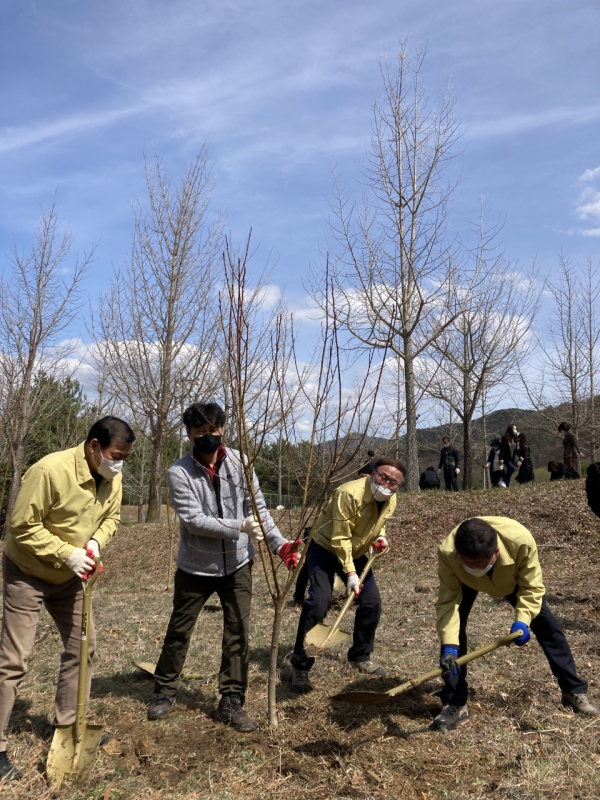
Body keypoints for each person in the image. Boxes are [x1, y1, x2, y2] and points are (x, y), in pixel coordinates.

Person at [147, 402, 300, 732]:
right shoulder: (179, 472)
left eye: (213, 432)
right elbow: (194, 520)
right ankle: (164, 691)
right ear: (188, 434)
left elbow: (258, 508)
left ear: (223, 430)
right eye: (200, 433)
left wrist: (279, 544)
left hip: (239, 564)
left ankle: (232, 699)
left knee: (238, 633)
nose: (208, 439)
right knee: (179, 631)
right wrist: (239, 527)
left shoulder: (241, 463)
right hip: (195, 568)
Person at [0, 416, 135, 781]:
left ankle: (70, 727)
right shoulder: (48, 471)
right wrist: (66, 552)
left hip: (71, 576)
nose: (119, 463)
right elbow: (21, 527)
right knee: (14, 660)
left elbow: (111, 519)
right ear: (93, 446)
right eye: (114, 455)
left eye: (124, 457)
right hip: (26, 570)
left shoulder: (113, 477)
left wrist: (93, 544)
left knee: (83, 647)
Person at [432, 516, 598, 732]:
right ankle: (454, 703)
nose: (472, 567)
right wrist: (449, 646)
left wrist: (522, 621)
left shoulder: (521, 541)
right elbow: (448, 603)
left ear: (496, 553)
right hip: (463, 584)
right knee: (453, 639)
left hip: (511, 580)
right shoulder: (448, 551)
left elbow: (532, 588)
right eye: (468, 563)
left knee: (549, 627)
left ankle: (572, 690)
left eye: (478, 564)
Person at [290, 457, 404, 694]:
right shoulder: (348, 494)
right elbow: (339, 538)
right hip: (325, 548)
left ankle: (360, 655)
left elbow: (376, 525)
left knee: (371, 603)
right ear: (372, 473)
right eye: (383, 476)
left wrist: (380, 538)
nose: (386, 484)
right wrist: (350, 574)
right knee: (319, 603)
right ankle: (300, 664)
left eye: (393, 482)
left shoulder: (391, 500)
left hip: (358, 550)